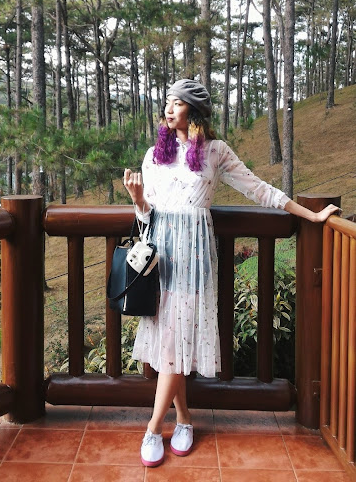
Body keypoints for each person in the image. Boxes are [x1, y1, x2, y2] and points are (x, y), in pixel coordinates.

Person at [122, 78, 340, 468]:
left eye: (177, 102)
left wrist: (311, 215)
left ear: (194, 110)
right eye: (167, 102)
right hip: (161, 258)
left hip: (194, 257)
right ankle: (184, 419)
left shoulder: (215, 151)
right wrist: (138, 199)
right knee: (171, 344)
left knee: (174, 342)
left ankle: (153, 428)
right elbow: (147, 217)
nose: (169, 109)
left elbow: (258, 188)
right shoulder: (154, 155)